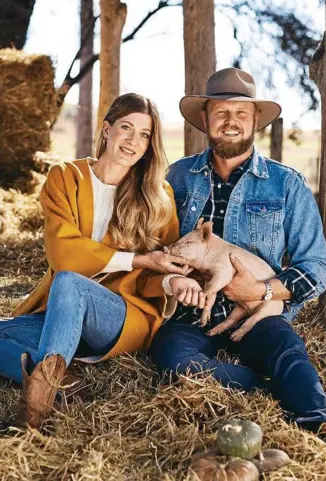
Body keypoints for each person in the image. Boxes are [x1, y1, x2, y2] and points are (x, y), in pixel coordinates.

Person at [150, 68, 326, 434]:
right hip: (191, 312)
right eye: (221, 112)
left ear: (255, 120)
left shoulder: (286, 183)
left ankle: (315, 418)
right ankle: (265, 389)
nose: (231, 121)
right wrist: (173, 278)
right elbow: (153, 245)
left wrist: (262, 291)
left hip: (261, 311)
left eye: (241, 113)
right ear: (205, 118)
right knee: (173, 361)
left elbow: (317, 265)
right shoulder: (177, 178)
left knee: (289, 354)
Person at [0, 93, 190, 431]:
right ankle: (68, 384)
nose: (133, 141)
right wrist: (138, 258)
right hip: (61, 311)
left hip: (119, 315)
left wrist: (169, 281)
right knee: (65, 285)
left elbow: (155, 272)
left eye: (144, 134)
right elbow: (62, 253)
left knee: (70, 282)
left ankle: (34, 413)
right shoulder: (65, 178)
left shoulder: (158, 195)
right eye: (126, 128)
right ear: (106, 130)